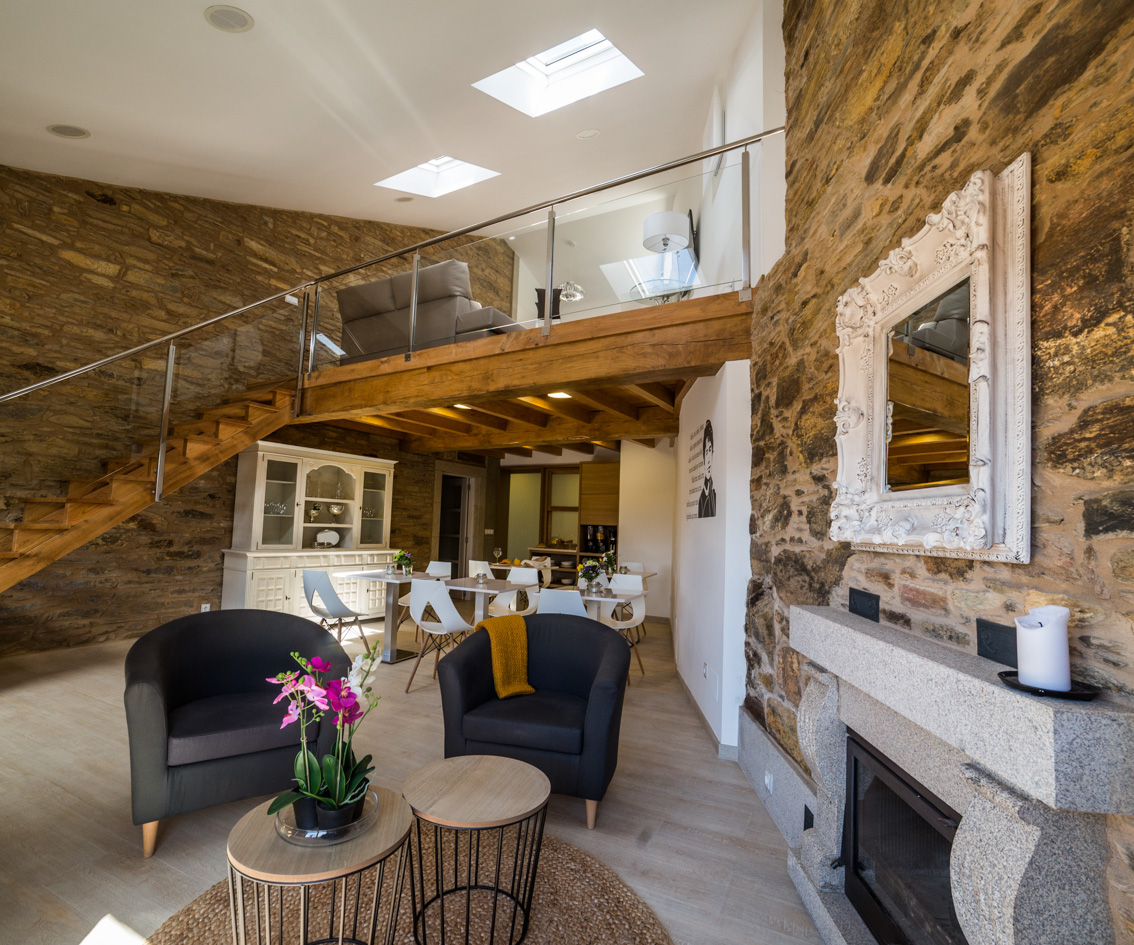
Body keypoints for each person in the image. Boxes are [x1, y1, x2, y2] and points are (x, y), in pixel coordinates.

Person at [698, 420, 716, 518]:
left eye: (710, 450)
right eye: (706, 452)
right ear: (703, 457)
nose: (708, 459)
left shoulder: (714, 493)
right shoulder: (701, 499)